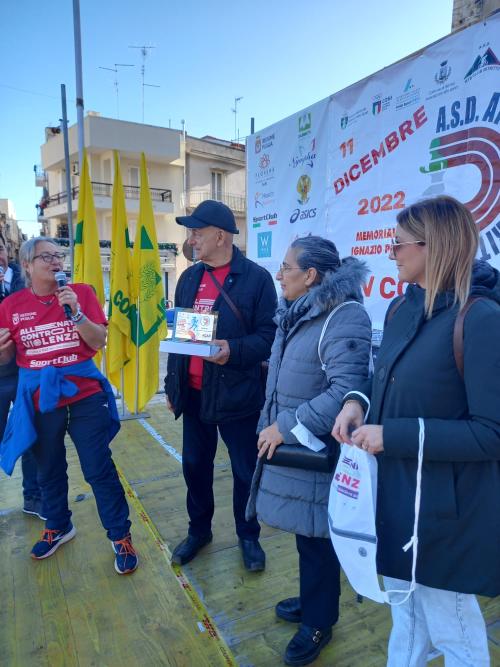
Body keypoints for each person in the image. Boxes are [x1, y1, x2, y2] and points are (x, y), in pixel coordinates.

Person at [333, 195, 500, 667]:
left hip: (444, 514)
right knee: (406, 619)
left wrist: (393, 436)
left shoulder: (480, 319)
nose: (391, 253)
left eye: (399, 244)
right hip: (397, 498)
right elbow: (384, 379)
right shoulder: (400, 308)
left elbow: (491, 433)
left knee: (455, 632)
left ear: (435, 246)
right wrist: (355, 402)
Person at [247, 236, 372, 666]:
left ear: (311, 275)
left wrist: (283, 427)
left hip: (317, 452)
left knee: (319, 538)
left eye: (286, 267)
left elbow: (344, 392)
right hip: (298, 447)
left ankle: (319, 622)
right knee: (308, 535)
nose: (279, 275)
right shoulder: (299, 311)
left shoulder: (344, 316)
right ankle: (313, 600)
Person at [0, 237, 138, 575]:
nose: (55, 261)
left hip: (84, 392)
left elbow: (98, 341)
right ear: (27, 265)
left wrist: (75, 312)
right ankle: (59, 525)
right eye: (45, 257)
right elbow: (7, 358)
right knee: (47, 468)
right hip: (40, 397)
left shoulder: (82, 293)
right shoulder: (11, 306)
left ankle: (120, 535)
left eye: (58, 255)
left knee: (97, 466)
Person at [164, 200, 277, 570]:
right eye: (191, 232)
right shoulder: (188, 279)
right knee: (195, 466)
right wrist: (172, 385)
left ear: (220, 236)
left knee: (244, 471)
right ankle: (199, 531)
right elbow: (180, 338)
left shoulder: (257, 279)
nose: (191, 239)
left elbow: (269, 338)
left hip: (237, 395)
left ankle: (248, 536)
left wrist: (233, 350)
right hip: (195, 395)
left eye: (197, 232)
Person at [0, 232, 42, 518]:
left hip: (26, 373)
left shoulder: (27, 280)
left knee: (32, 434)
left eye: (0, 248)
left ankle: (34, 497)